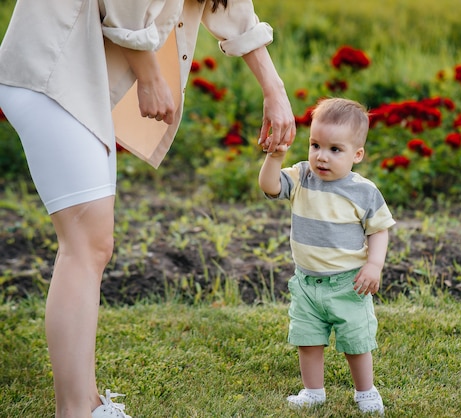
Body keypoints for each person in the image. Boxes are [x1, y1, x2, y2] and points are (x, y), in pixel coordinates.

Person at [0, 0, 295, 417]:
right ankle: (74, 412)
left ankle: (88, 403)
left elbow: (229, 6)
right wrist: (151, 77)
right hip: (53, 67)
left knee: (92, 247)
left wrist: (275, 89)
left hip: (84, 80)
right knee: (86, 247)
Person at [258, 97, 395, 415]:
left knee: (356, 342)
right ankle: (313, 392)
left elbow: (379, 229)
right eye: (315, 145)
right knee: (308, 339)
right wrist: (275, 157)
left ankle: (366, 391)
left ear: (357, 155)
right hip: (307, 283)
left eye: (335, 149)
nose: (322, 156)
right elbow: (269, 186)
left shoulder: (364, 192)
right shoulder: (302, 177)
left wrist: (374, 265)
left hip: (349, 284)